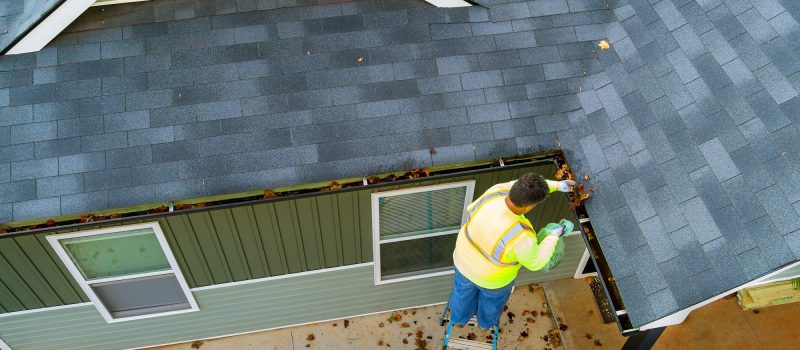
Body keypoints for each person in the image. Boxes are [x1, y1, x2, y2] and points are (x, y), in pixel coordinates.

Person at [449, 172, 575, 330]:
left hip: (463, 262)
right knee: (491, 303)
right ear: (529, 206)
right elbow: (536, 262)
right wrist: (553, 235)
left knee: (461, 294)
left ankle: (459, 319)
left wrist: (557, 185)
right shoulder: (520, 235)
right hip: (492, 280)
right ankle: (484, 324)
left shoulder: (496, 191)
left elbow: (522, 186)